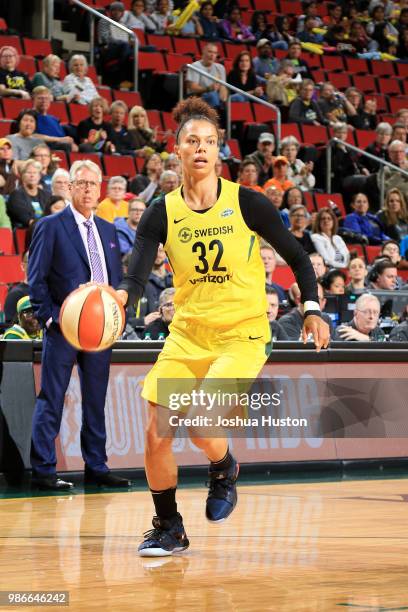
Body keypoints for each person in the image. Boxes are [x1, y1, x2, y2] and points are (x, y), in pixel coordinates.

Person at [114, 97, 329, 556]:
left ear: (219, 151)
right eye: (192, 141)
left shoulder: (247, 202)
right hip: (188, 334)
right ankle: (169, 526)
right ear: (177, 150)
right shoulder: (161, 211)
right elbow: (135, 275)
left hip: (242, 334)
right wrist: (121, 300)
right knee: (156, 432)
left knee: (201, 422)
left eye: (209, 142)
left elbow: (296, 257)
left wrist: (311, 307)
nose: (201, 149)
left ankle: (223, 466)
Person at [28, 159, 130, 491]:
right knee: (52, 397)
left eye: (93, 184)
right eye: (81, 184)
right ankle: (43, 469)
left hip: (100, 331)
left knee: (95, 399)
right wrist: (49, 317)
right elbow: (36, 278)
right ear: (70, 187)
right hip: (64, 327)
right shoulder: (51, 225)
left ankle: (96, 466)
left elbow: (114, 278)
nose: (88, 190)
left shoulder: (108, 229)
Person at [97, 1, 134, 88]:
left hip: (124, 49)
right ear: (110, 11)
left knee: (149, 48)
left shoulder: (125, 25)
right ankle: (121, 68)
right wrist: (121, 42)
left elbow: (133, 38)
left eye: (119, 10)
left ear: (122, 13)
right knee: (125, 45)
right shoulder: (104, 21)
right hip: (109, 49)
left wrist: (132, 42)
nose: (117, 12)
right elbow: (104, 38)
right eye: (114, 10)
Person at [31, 86, 78, 153]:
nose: (44, 101)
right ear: (33, 99)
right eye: (40, 98)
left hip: (60, 146)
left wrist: (72, 143)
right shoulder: (30, 116)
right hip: (43, 149)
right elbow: (32, 136)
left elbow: (63, 138)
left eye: (46, 98)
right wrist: (58, 140)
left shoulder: (54, 119)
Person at [7, 159, 51, 228]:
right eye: (28, 172)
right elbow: (26, 219)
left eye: (35, 172)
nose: (32, 175)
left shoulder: (47, 195)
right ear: (22, 175)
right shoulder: (16, 195)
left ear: (39, 176)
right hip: (27, 231)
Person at [185, 43, 227, 109]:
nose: (212, 55)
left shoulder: (220, 68)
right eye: (210, 52)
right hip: (197, 97)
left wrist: (223, 96)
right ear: (203, 52)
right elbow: (192, 88)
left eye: (215, 53)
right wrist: (208, 89)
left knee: (235, 98)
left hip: (216, 98)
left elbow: (223, 88)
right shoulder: (195, 66)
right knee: (212, 95)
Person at [4, 251, 29, 324]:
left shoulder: (49, 291)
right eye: (32, 261)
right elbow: (10, 326)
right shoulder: (15, 295)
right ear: (23, 266)